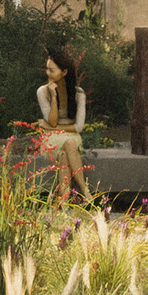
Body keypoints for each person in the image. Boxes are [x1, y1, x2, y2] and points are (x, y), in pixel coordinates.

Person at [36, 46, 90, 203]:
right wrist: (53, 97)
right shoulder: (42, 91)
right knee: (68, 145)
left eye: (52, 70)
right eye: (47, 69)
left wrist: (48, 126)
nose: (48, 73)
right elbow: (52, 121)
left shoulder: (78, 94)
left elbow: (79, 126)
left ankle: (64, 204)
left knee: (66, 152)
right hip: (52, 138)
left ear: (64, 72)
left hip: (71, 136)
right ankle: (85, 192)